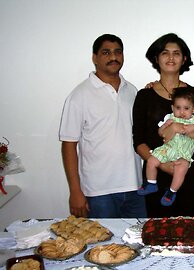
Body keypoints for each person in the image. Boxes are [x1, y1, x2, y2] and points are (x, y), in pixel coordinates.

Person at [59, 34, 146, 218]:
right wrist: (75, 191)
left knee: (137, 244)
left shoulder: (132, 91)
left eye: (118, 52)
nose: (113, 57)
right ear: (95, 57)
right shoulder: (79, 95)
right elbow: (68, 144)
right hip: (98, 193)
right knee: (103, 246)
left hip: (135, 188)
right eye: (106, 52)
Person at [133, 33, 194, 218]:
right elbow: (138, 141)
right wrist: (163, 165)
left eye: (176, 53)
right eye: (165, 53)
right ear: (157, 58)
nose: (171, 58)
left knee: (192, 231)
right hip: (156, 173)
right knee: (158, 234)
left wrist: (181, 129)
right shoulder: (144, 96)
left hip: (191, 172)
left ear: (184, 59)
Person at [137, 87, 194, 206]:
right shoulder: (170, 118)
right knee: (151, 160)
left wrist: (191, 127)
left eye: (186, 108)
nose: (182, 112)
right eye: (178, 108)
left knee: (181, 169)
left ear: (193, 109)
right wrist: (166, 125)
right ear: (172, 108)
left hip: (183, 154)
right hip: (167, 149)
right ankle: (151, 183)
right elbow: (161, 133)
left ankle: (172, 191)